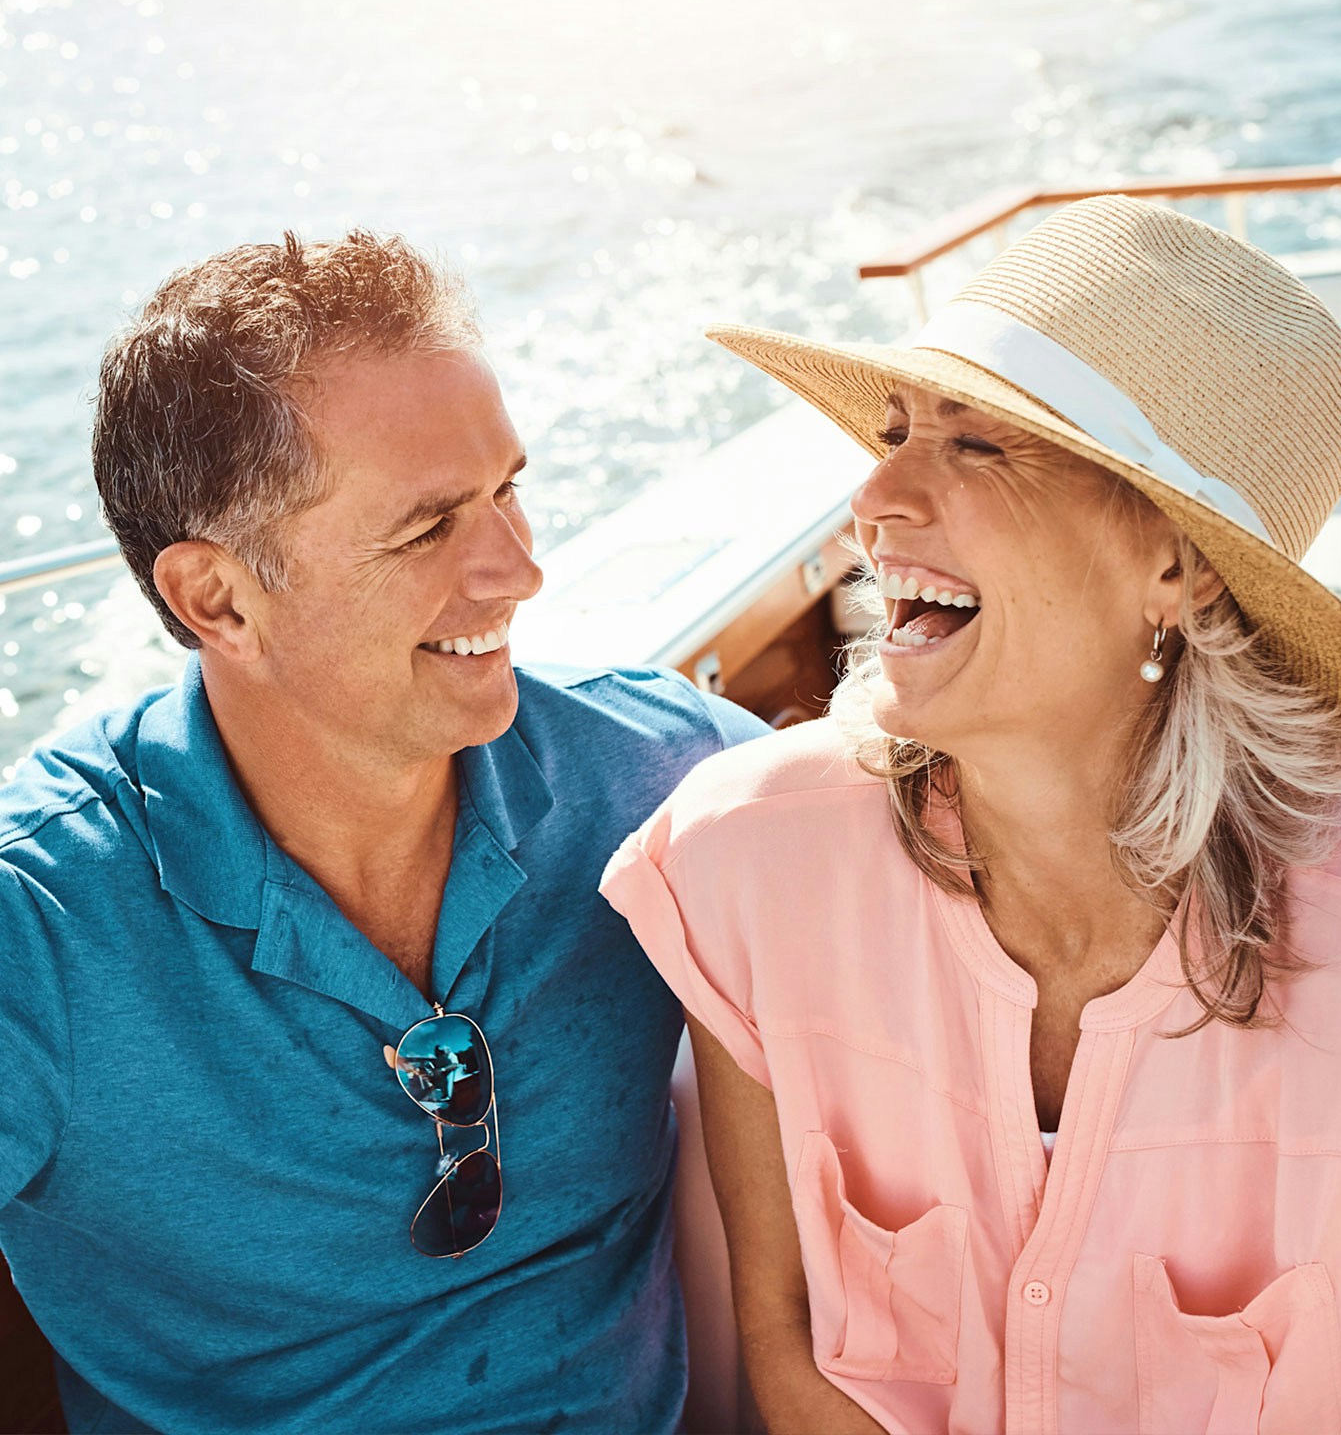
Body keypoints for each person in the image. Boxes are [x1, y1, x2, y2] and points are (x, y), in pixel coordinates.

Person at [602, 195, 1341, 1434]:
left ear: (1176, 567)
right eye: (894, 432)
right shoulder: (744, 862)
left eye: (980, 446)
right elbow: (783, 1350)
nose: (873, 499)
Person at [0, 230, 768, 1434]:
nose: (519, 570)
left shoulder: (666, 776)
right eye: (427, 529)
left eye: (508, 489)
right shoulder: (36, 926)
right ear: (220, 599)